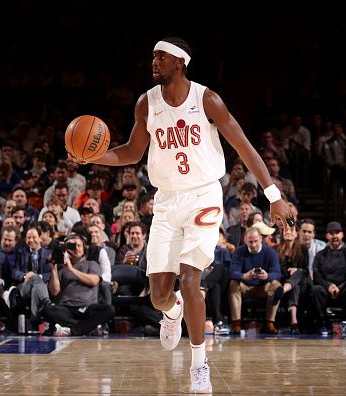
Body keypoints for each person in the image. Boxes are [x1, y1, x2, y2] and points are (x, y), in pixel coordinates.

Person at [69, 36, 294, 394]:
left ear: (180, 63)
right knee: (158, 295)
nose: (154, 61)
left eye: (161, 57)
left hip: (204, 195)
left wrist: (274, 195)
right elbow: (130, 151)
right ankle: (171, 311)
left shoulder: (207, 100)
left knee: (191, 279)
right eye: (153, 56)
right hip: (167, 201)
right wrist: (92, 156)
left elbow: (244, 147)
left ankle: (199, 364)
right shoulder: (147, 102)